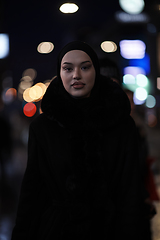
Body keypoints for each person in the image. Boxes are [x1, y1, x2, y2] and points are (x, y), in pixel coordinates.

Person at [11, 41, 144, 240]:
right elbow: (33, 191)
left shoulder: (121, 125)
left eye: (85, 67)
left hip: (111, 230)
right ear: (60, 73)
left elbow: (131, 192)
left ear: (96, 71)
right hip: (57, 232)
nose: (76, 75)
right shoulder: (44, 127)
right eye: (68, 68)